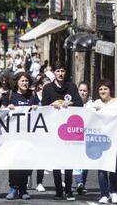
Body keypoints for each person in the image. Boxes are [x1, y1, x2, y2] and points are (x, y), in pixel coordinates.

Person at [42, 61, 83, 201]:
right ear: (54, 72)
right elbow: (43, 107)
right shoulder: (48, 88)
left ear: (66, 73)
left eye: (63, 71)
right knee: (56, 161)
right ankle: (59, 190)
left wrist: (69, 103)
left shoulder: (71, 87)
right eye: (58, 71)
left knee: (68, 160)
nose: (60, 73)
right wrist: (51, 105)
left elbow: (80, 104)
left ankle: (69, 190)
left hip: (69, 129)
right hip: (54, 129)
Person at [2, 72, 38, 200]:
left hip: (28, 136)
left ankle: (23, 189)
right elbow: (1, 110)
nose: (25, 83)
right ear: (17, 82)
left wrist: (36, 108)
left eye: (27, 81)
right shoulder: (10, 94)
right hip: (13, 136)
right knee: (14, 163)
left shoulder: (33, 95)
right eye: (22, 81)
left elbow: (41, 112)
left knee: (26, 163)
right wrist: (8, 107)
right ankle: (13, 187)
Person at [92, 79, 117, 204]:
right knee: (101, 168)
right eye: (100, 89)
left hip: (114, 139)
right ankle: (104, 194)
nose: (103, 91)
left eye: (105, 89)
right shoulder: (96, 103)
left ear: (110, 90)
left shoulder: (116, 103)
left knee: (113, 167)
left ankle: (114, 192)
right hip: (100, 140)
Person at [74, 81, 94, 195]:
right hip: (76, 135)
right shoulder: (74, 103)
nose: (82, 93)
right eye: (80, 90)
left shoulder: (92, 104)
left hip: (88, 135)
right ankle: (79, 183)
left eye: (84, 91)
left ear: (88, 92)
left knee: (85, 161)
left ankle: (83, 183)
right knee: (77, 159)